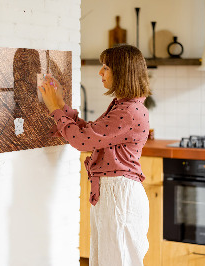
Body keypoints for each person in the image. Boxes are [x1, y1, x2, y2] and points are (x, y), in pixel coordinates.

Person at [39, 44, 151, 266]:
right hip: (114, 193)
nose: (100, 72)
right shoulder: (124, 106)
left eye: (106, 67)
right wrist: (61, 105)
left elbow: (82, 141)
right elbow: (90, 133)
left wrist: (55, 109)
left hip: (119, 195)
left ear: (122, 72)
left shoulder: (128, 111)